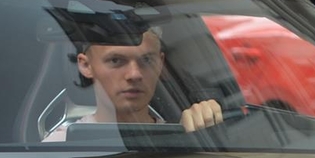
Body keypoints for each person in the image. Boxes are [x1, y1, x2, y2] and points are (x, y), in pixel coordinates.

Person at [46, 19, 223, 139]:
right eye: (116, 60)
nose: (134, 74)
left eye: (146, 60)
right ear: (86, 66)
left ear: (160, 63)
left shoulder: (185, 136)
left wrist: (202, 133)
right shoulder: (60, 146)